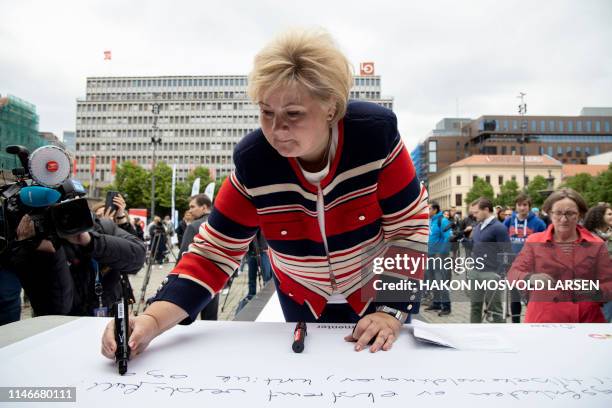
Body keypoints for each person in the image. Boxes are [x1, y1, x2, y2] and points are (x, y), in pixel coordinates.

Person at [101, 28, 428, 360]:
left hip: (378, 291)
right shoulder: (254, 162)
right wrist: (151, 320)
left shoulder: (375, 136)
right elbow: (213, 253)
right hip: (303, 299)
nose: (276, 129)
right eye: (266, 112)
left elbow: (409, 228)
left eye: (293, 114)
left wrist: (390, 308)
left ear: (331, 106)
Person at [10, 210, 146, 317]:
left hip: (108, 317)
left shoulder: (102, 228)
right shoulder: (31, 246)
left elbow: (137, 258)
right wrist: (51, 252)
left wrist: (91, 242)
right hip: (64, 329)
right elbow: (59, 307)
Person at [508, 189, 612, 323]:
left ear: (579, 214)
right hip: (543, 319)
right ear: (549, 213)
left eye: (570, 213)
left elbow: (609, 284)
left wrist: (594, 290)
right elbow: (513, 274)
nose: (563, 219)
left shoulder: (596, 244)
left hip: (586, 321)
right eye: (558, 213)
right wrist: (530, 278)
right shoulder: (534, 241)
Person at [503, 194, 546, 323]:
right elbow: (502, 237)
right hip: (513, 265)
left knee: (531, 296)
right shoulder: (509, 221)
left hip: (531, 266)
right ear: (515, 207)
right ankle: (516, 324)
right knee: (514, 295)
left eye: (525, 205)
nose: (522, 208)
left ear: (529, 207)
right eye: (519, 205)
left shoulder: (538, 223)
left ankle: (534, 322)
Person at [468, 198, 511, 323]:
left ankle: (501, 338)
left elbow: (506, 252)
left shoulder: (499, 228)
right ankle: (474, 335)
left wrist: (499, 274)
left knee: (495, 309)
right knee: (475, 307)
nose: (473, 215)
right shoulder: (478, 226)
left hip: (492, 273)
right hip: (475, 271)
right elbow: (475, 246)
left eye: (476, 212)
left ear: (486, 210)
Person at [178, 193, 218, 320]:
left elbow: (184, 254)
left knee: (187, 318)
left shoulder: (194, 226)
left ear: (204, 207)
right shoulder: (220, 225)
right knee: (210, 320)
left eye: (192, 206)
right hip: (215, 279)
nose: (190, 210)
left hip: (194, 279)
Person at [583, 203, 612, 322]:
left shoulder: (609, 236)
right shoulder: (589, 237)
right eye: (610, 214)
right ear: (600, 216)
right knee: (602, 320)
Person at [426, 201, 451, 316]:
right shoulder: (431, 221)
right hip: (430, 255)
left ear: (435, 209)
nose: (427, 210)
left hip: (439, 256)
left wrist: (441, 253)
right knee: (433, 280)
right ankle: (436, 303)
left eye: (429, 208)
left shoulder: (443, 221)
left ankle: (446, 306)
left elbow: (448, 238)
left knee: (440, 281)